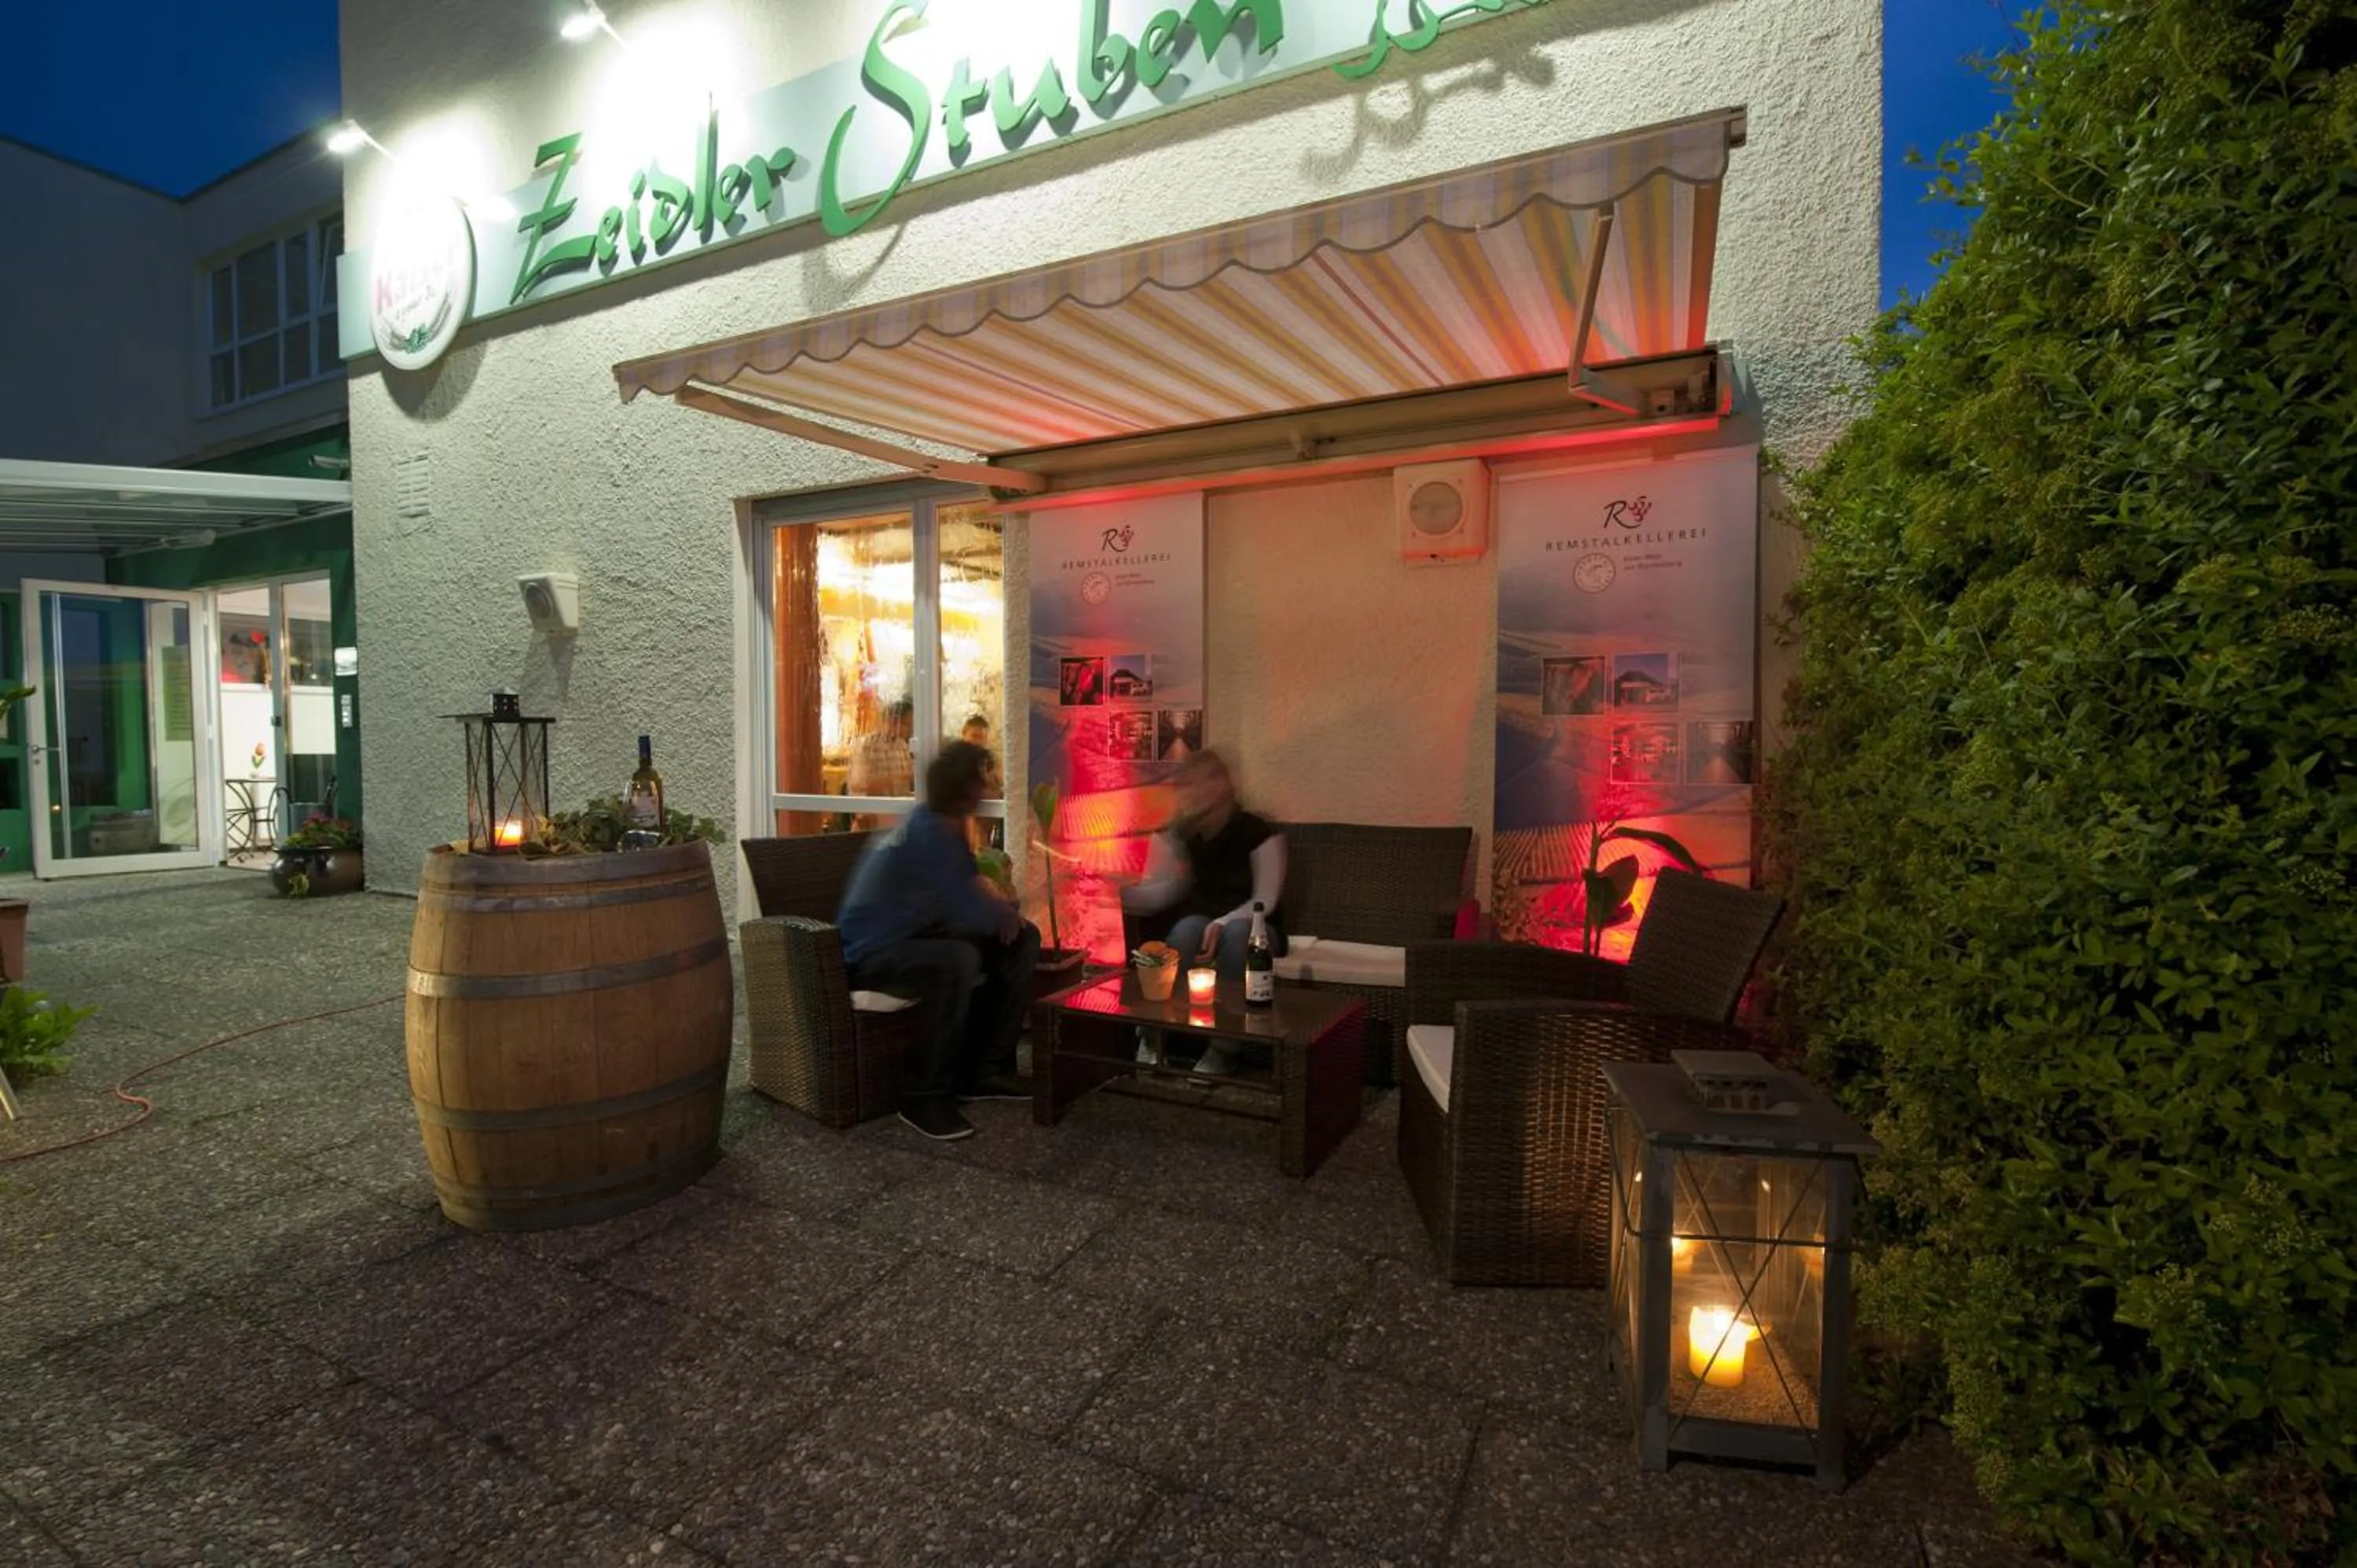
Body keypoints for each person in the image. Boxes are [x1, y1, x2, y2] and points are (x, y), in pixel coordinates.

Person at [837, 741, 1041, 1141]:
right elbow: (968, 911)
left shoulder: (946, 828)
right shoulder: (930, 834)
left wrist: (1004, 913)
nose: (989, 788)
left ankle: (986, 1071)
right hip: (870, 955)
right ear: (965, 788)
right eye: (984, 780)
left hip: (911, 937)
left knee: (1022, 940)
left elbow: (966, 895)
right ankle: (923, 1097)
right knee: (958, 959)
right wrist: (1003, 911)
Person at [1120, 749, 1287, 1076]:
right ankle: (1153, 1036)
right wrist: (1123, 893)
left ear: (1221, 784)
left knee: (1238, 936)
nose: (1185, 792)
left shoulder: (1258, 832)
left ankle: (1225, 1048)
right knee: (1184, 932)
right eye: (1183, 785)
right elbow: (1164, 891)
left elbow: (1266, 899)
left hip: (1257, 927)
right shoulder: (1180, 834)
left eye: (1192, 783)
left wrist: (1224, 922)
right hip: (1200, 923)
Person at [845, 697, 915, 828]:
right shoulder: (866, 745)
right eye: (907, 724)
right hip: (871, 820)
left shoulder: (902, 746)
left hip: (897, 819)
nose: (910, 730)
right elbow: (859, 784)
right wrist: (897, 777)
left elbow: (908, 780)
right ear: (893, 721)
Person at [961, 714, 1005, 851]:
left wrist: (990, 781)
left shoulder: (988, 760)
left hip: (985, 815)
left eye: (981, 738)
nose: (977, 742)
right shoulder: (956, 759)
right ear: (964, 734)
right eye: (974, 736)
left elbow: (997, 787)